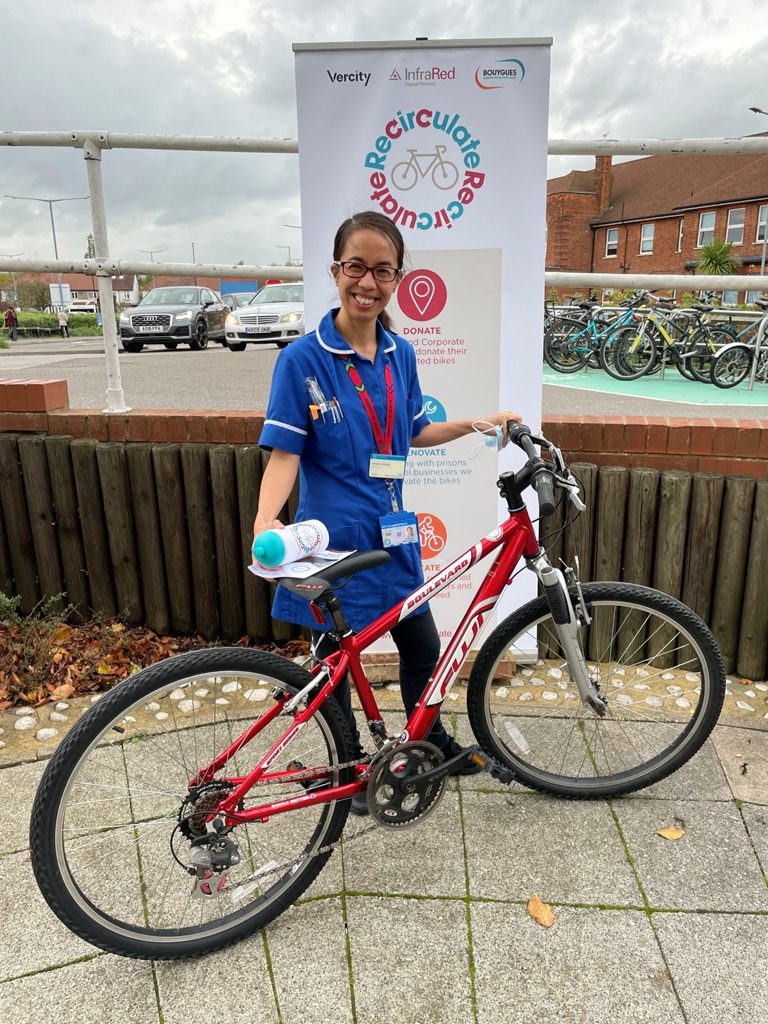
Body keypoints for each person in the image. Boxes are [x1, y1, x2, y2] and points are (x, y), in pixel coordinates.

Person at [254, 210, 521, 814]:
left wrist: (480, 422)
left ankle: (425, 738)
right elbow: (284, 455)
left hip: (395, 536)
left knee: (423, 650)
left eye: (382, 270)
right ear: (335, 271)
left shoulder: (401, 352)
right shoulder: (302, 360)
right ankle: (342, 767)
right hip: (335, 544)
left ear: (397, 279)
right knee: (332, 673)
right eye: (356, 268)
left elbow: (414, 431)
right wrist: (264, 521)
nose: (367, 283)